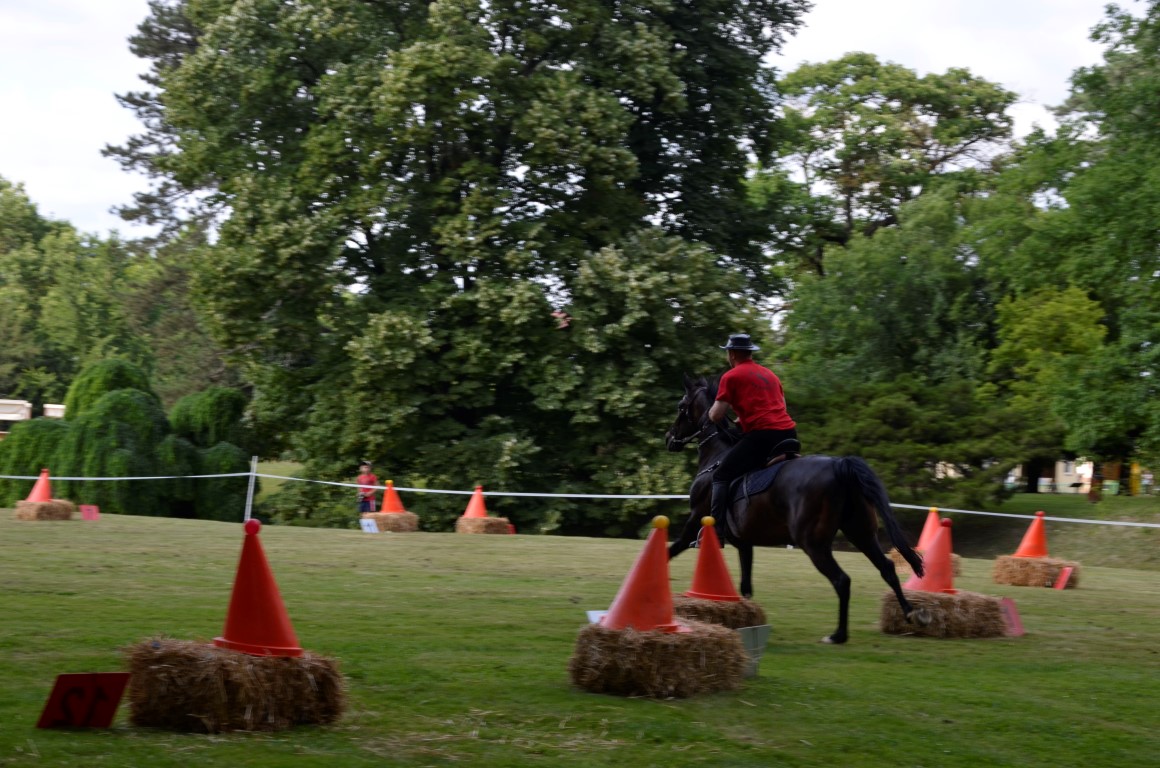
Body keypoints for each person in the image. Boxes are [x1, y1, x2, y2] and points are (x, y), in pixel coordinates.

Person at [707, 333, 799, 527]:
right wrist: (744, 418)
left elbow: (716, 415)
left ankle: (715, 532)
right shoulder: (770, 375)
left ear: (732, 354)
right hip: (789, 434)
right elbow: (781, 406)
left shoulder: (731, 376)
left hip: (762, 436)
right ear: (750, 353)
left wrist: (710, 413)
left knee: (720, 475)